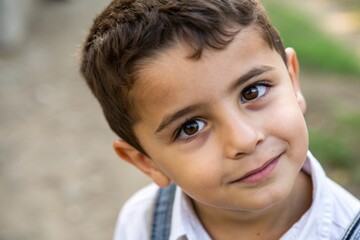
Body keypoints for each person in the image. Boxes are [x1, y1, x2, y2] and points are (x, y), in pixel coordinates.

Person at [80, 0, 360, 239]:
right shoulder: (142, 223)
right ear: (146, 162)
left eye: (253, 91)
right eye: (191, 127)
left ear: (292, 80)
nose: (245, 140)